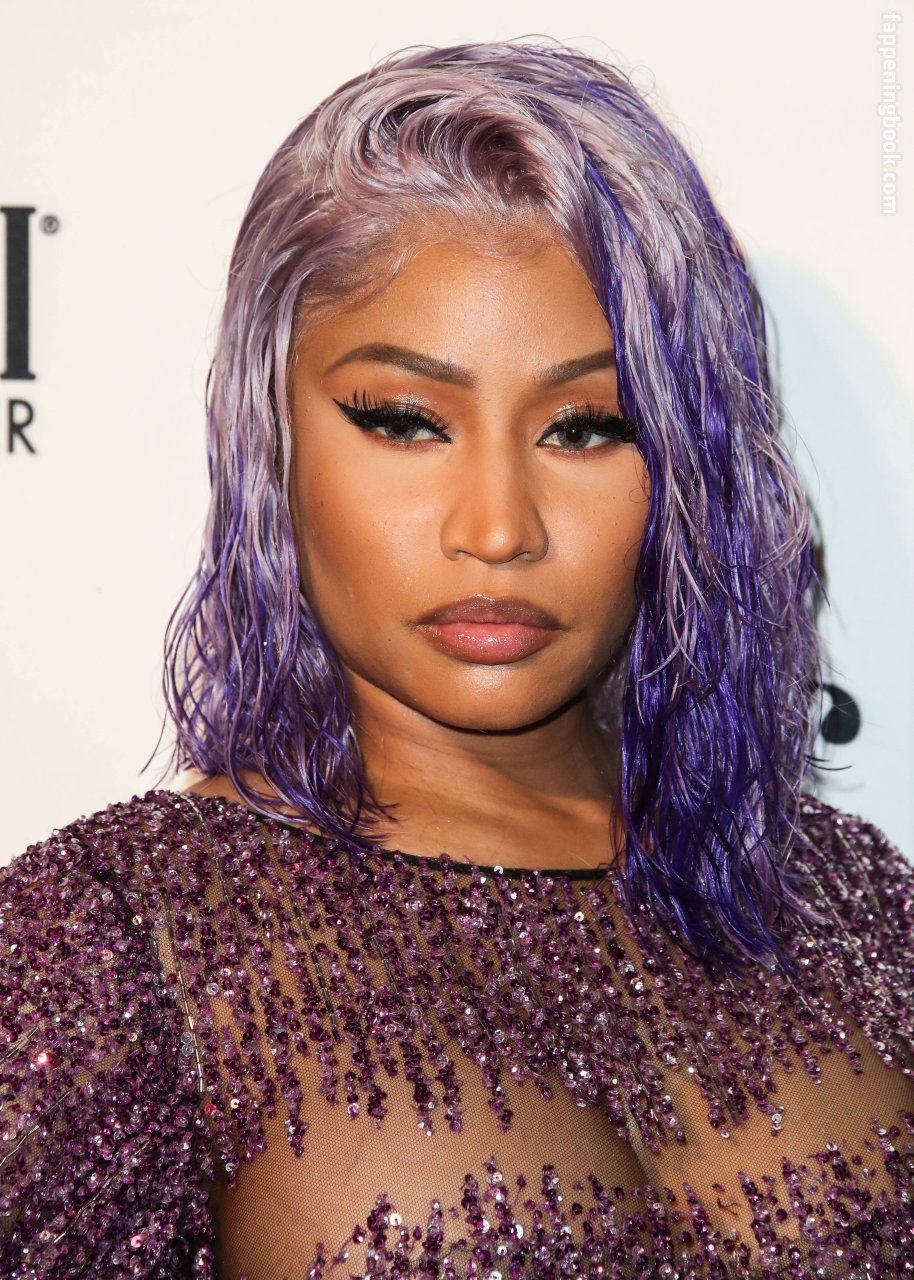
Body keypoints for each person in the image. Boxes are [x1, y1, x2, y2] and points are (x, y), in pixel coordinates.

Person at [1, 37, 912, 1280]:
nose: (496, 528)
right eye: (404, 420)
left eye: (586, 427)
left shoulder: (851, 902)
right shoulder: (123, 940)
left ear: (688, 467)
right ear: (270, 438)